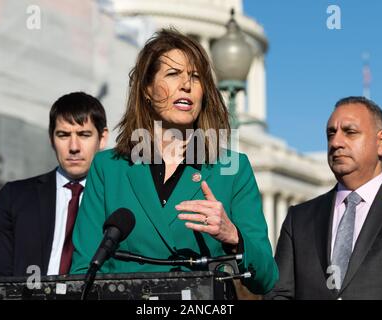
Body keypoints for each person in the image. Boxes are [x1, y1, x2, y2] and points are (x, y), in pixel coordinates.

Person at [70, 29, 278, 295]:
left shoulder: (231, 168)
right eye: (172, 74)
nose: (186, 85)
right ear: (146, 89)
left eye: (195, 76)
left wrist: (234, 237)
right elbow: (82, 273)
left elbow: (267, 278)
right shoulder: (108, 168)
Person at [267, 96, 382, 300]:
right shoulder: (298, 218)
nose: (335, 142)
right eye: (330, 134)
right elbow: (279, 294)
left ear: (381, 142)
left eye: (350, 132)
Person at [0, 92, 108, 277]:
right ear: (51, 138)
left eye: (84, 134)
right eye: (63, 135)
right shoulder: (14, 198)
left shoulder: (118, 201)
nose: (74, 147)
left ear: (102, 139)